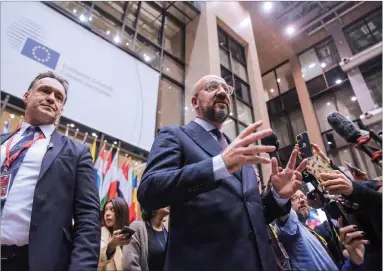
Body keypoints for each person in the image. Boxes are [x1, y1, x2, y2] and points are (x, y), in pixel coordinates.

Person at [138, 74, 307, 271]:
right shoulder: (175, 136)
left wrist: (277, 196)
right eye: (211, 87)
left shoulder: (238, 151)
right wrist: (218, 165)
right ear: (195, 102)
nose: (221, 92)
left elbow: (250, 215)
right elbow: (149, 191)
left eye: (226, 89)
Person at [0, 71, 100, 271]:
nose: (51, 98)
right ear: (27, 96)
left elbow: (88, 218)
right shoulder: (3, 142)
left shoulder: (76, 153)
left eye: (59, 97)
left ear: (61, 109)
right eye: (45, 90)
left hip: (32, 262)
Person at [275, 190, 366, 271]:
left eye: (303, 196)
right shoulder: (289, 227)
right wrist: (281, 193)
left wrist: (355, 262)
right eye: (293, 198)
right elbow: (282, 209)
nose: (302, 200)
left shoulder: (310, 231)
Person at [123, 207, 169, 271]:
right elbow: (130, 266)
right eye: (164, 198)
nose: (168, 202)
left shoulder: (167, 230)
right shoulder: (137, 227)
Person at [99, 198, 131, 271]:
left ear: (122, 213)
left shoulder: (131, 237)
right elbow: (97, 262)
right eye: (105, 210)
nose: (107, 213)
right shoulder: (99, 234)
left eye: (112, 210)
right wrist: (111, 246)